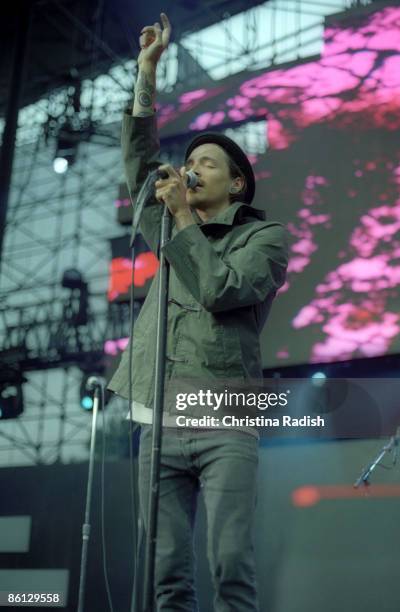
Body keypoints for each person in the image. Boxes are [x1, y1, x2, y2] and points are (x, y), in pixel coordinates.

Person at [107, 12, 289, 612]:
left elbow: (218, 289)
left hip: (225, 412)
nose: (192, 167)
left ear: (237, 185)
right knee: (166, 573)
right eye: (191, 159)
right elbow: (139, 159)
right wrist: (146, 72)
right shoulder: (167, 225)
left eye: (208, 163)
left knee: (230, 562)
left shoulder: (265, 239)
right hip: (158, 411)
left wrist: (183, 216)